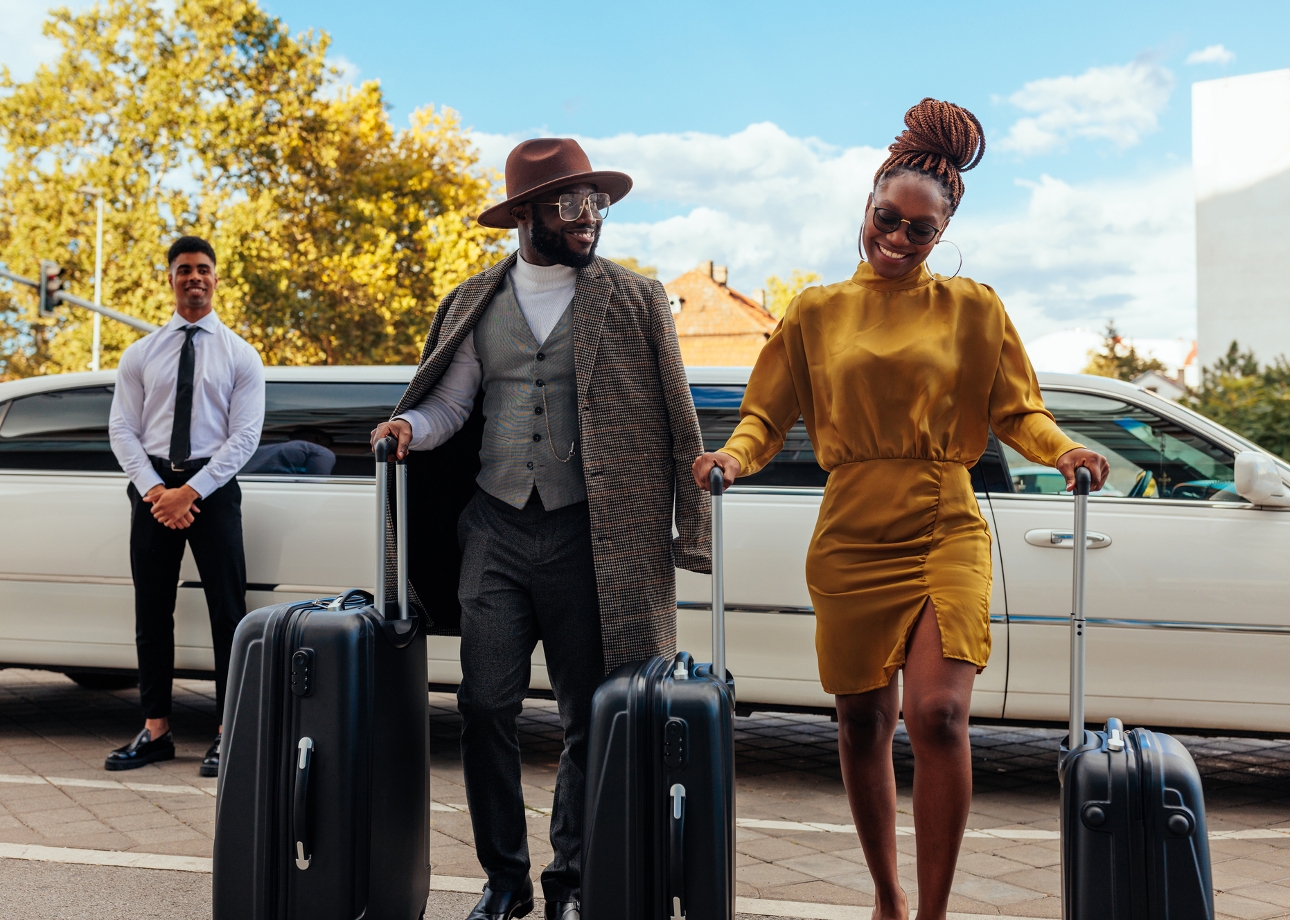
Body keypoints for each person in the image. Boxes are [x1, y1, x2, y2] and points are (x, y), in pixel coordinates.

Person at [692, 99, 1110, 920]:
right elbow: (765, 417)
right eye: (888, 218)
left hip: (944, 522)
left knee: (940, 714)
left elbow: (1017, 410)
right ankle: (887, 896)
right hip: (850, 532)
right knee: (860, 722)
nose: (898, 238)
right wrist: (732, 458)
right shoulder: (814, 311)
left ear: (942, 233)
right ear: (869, 202)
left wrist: (1062, 450)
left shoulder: (974, 309)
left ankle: (932, 913)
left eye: (921, 230)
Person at [371, 138, 708, 920]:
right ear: (525, 214)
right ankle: (504, 880)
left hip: (592, 537)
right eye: (570, 202)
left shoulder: (636, 298)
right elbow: (449, 403)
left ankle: (571, 882)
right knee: (484, 707)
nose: (589, 215)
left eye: (597, 201)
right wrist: (408, 428)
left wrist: (689, 530)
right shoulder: (474, 302)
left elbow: (678, 413)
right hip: (493, 531)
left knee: (587, 715)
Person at [106, 236, 265, 777]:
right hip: (152, 490)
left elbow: (244, 437)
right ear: (170, 279)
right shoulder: (140, 354)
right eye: (183, 270)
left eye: (202, 269)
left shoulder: (241, 354)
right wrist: (157, 491)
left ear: (216, 278)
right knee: (152, 613)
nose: (194, 277)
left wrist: (190, 492)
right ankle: (155, 731)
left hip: (212, 493)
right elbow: (122, 429)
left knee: (229, 613)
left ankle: (227, 733)